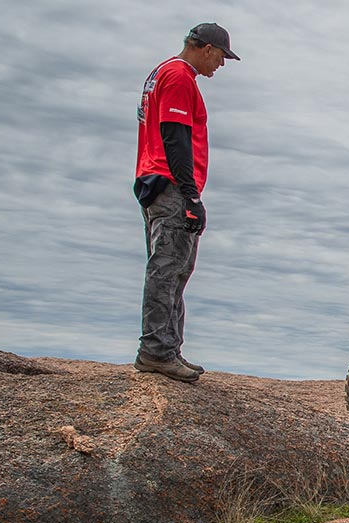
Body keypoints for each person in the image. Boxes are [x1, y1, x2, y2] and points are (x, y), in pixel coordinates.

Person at [133, 23, 239, 382]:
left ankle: (168, 347)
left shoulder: (163, 73)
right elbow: (174, 135)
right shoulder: (179, 76)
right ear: (206, 48)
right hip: (171, 183)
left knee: (176, 268)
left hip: (157, 180)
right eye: (221, 56)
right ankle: (156, 351)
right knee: (168, 267)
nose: (221, 65)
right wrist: (191, 194)